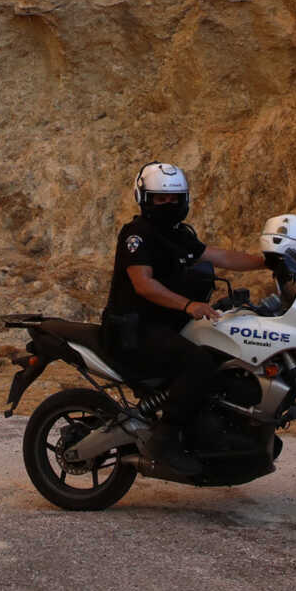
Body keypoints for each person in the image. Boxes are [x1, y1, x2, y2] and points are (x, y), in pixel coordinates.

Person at [103, 162, 269, 467]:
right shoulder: (136, 234)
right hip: (135, 330)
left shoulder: (178, 234)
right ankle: (165, 438)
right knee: (199, 363)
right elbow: (143, 283)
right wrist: (188, 305)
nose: (168, 204)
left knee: (223, 356)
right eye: (160, 199)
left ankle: (215, 432)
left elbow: (218, 256)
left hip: (168, 327)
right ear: (144, 199)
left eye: (174, 199)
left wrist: (266, 261)